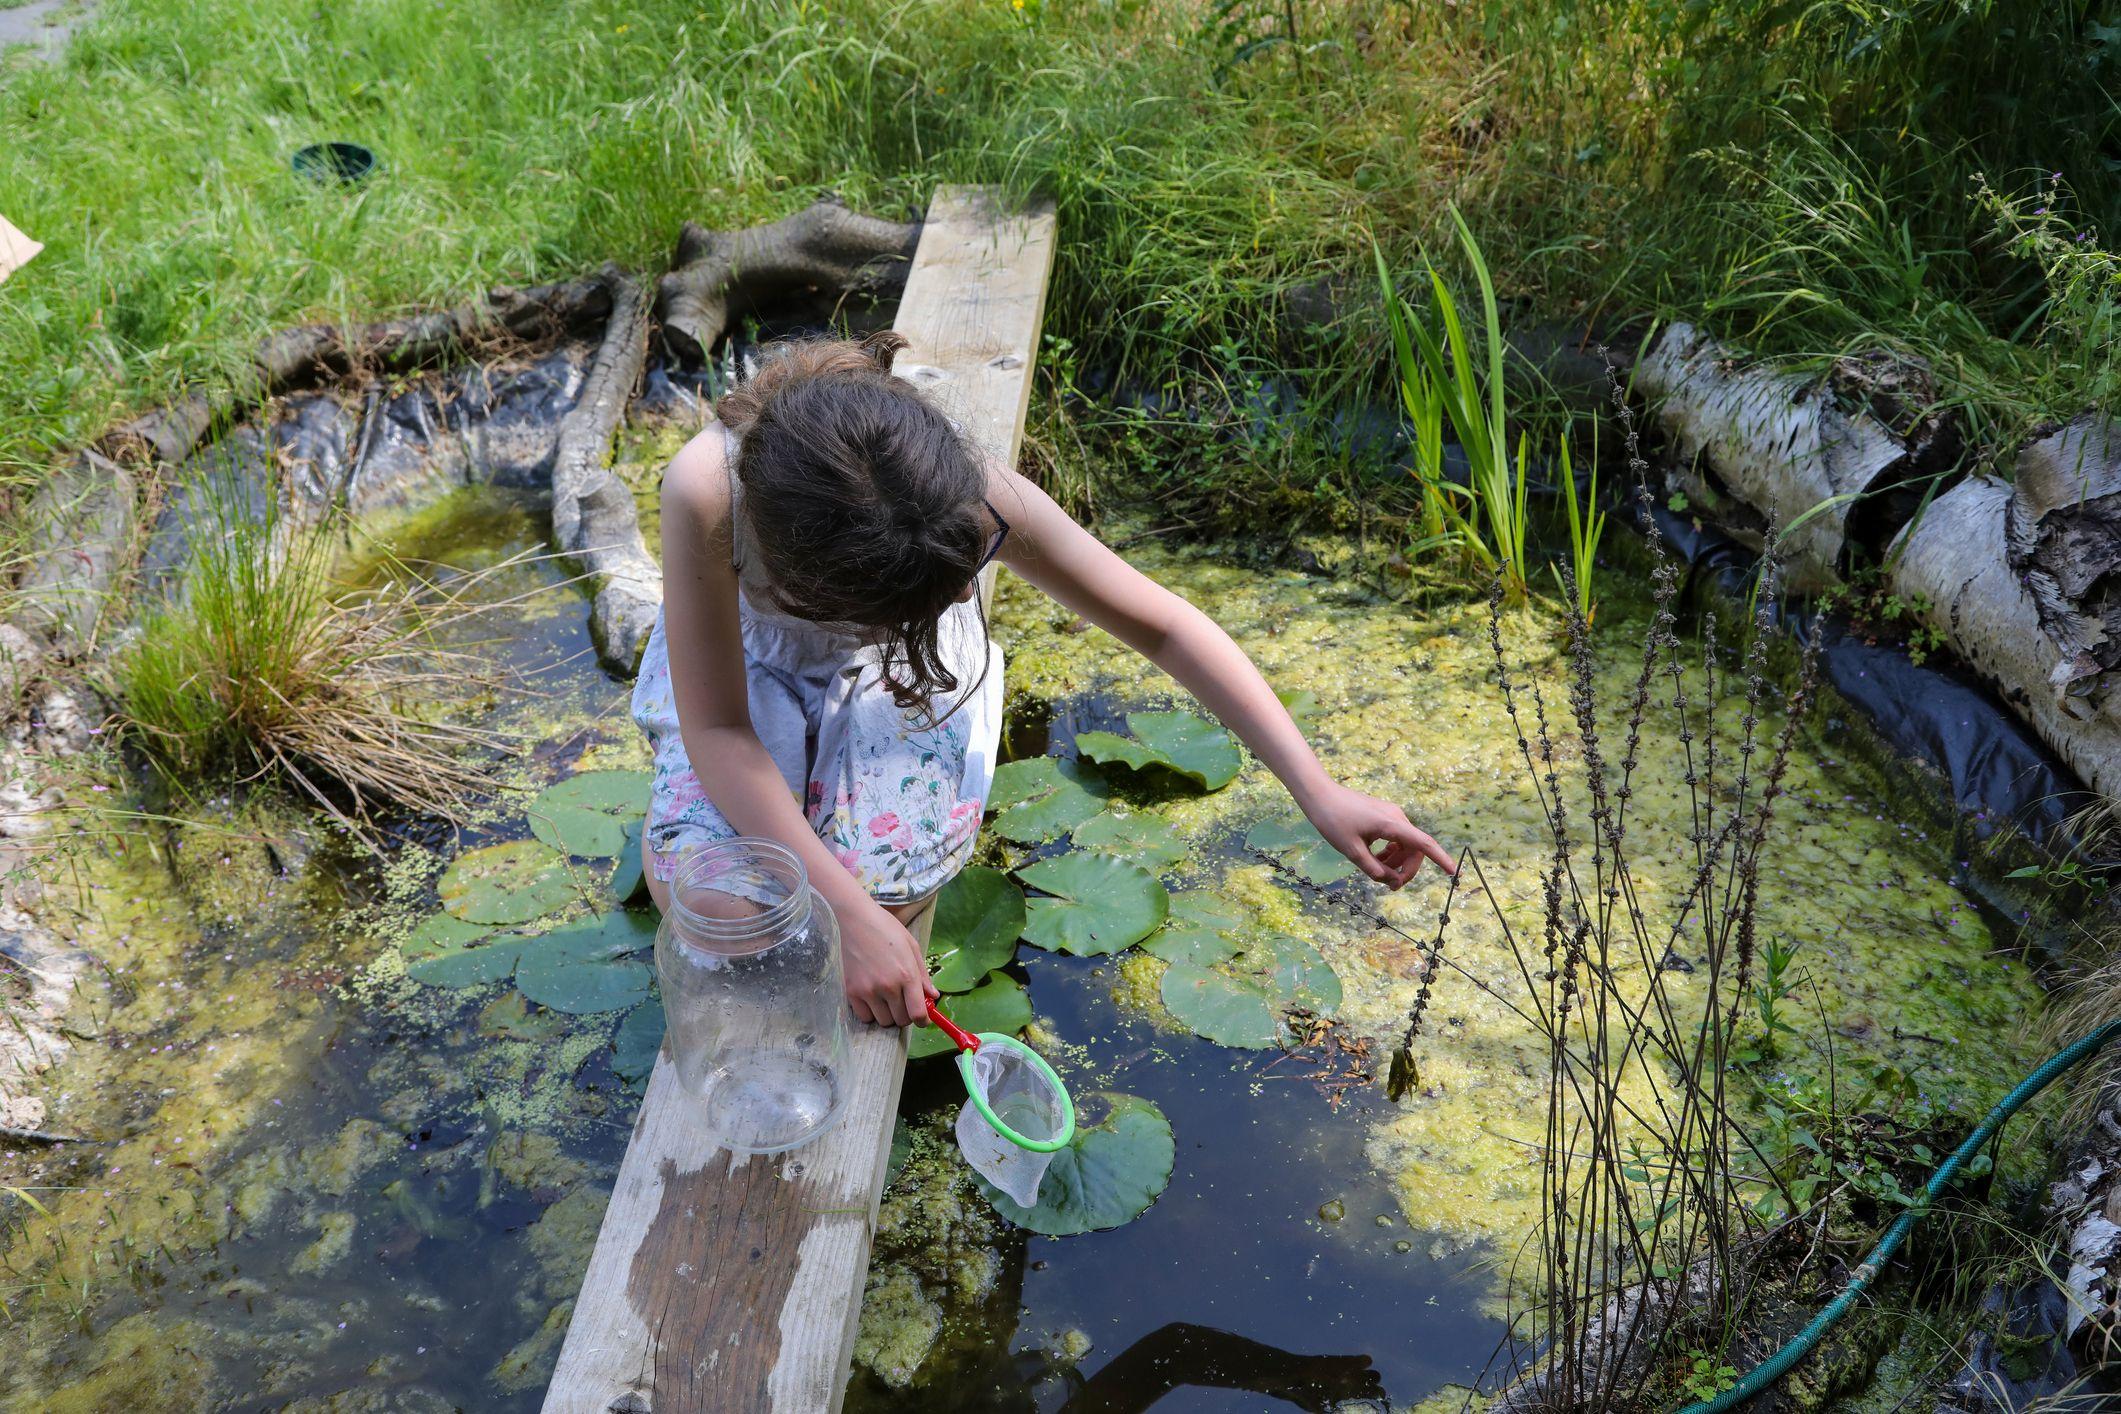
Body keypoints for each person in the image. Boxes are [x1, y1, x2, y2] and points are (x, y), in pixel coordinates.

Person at [632, 331, 1456, 1030]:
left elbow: (1163, 624)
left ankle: (865, 863)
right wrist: (839, 913)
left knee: (884, 896)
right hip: (752, 679)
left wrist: (1315, 788)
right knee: (735, 924)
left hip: (895, 669)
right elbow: (719, 730)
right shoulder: (708, 492)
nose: (967, 593)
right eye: (945, 589)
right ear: (824, 588)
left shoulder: (953, 498)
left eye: (970, 571)